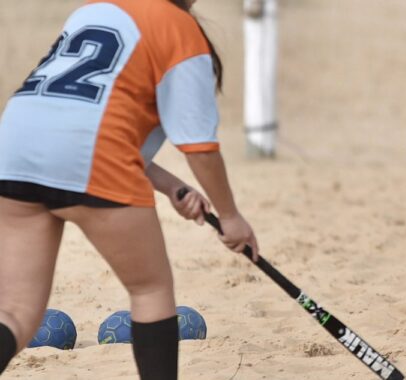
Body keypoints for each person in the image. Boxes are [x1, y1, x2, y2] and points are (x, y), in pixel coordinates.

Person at [0, 0, 258, 378]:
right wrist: (231, 217)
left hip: (13, 145)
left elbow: (73, 117)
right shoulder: (181, 31)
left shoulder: (94, 10)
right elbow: (200, 147)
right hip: (93, 156)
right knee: (150, 290)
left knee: (15, 312)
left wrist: (171, 186)